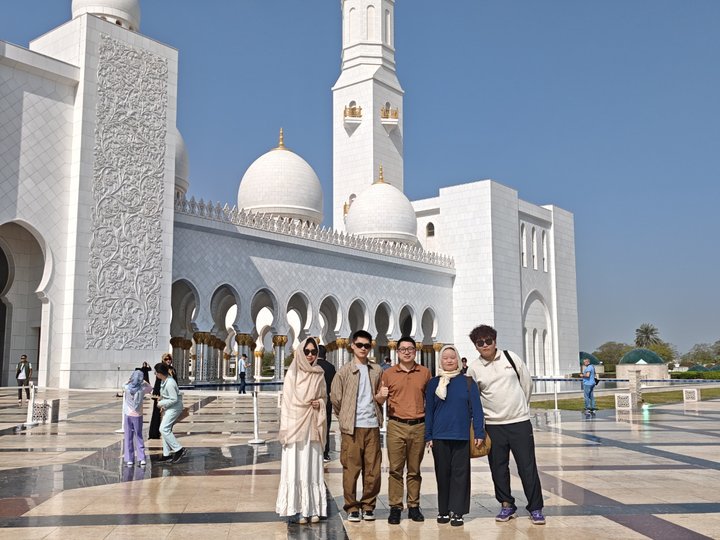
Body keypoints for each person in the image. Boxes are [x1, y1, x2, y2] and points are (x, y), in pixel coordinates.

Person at [466, 324, 545, 525]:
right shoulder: (474, 368)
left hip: (519, 422)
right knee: (498, 467)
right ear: (475, 346)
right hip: (493, 425)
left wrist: (521, 408)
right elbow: (473, 398)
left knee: (527, 466)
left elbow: (526, 384)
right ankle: (506, 505)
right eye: (480, 343)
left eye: (488, 341)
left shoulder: (510, 357)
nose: (485, 345)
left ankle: (535, 507)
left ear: (495, 341)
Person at [425, 345, 484, 527]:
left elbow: (477, 409)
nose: (449, 360)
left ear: (458, 360)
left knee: (460, 475)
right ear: (440, 361)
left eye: (452, 357)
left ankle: (458, 511)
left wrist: (479, 432)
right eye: (445, 358)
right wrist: (428, 435)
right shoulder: (434, 383)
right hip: (440, 436)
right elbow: (429, 411)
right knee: (442, 474)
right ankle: (443, 510)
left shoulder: (468, 382)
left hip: (461, 435)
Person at [376, 335, 431, 525]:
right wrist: (381, 396)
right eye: (403, 349)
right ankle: (395, 506)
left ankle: (414, 506)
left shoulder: (424, 373)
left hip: (418, 425)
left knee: (414, 470)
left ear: (415, 351)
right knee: (395, 469)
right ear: (397, 352)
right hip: (396, 425)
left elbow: (431, 401)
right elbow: (379, 399)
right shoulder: (389, 373)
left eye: (410, 349)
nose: (407, 352)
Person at [330, 330, 383, 522]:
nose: (363, 348)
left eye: (366, 345)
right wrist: (345, 417)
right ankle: (352, 507)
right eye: (359, 345)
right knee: (351, 469)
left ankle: (368, 505)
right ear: (352, 346)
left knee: (373, 470)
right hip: (352, 428)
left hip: (372, 426)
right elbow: (335, 398)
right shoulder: (344, 372)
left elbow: (380, 395)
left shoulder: (376, 370)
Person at [276, 337, 328, 524]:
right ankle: (297, 509)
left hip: (313, 425)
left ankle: (312, 508)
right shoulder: (293, 373)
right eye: (306, 351)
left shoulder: (319, 373)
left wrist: (319, 403)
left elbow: (324, 397)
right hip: (295, 427)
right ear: (300, 352)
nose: (310, 355)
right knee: (296, 466)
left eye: (313, 352)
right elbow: (287, 402)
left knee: (311, 466)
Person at [154, 361, 187, 464]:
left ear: (160, 373)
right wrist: (163, 404)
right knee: (165, 430)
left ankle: (179, 449)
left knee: (163, 429)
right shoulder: (164, 381)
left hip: (175, 408)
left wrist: (161, 403)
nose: (155, 374)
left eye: (156, 372)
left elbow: (174, 399)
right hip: (169, 407)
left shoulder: (170, 383)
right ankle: (166, 454)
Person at [123, 370, 153, 466]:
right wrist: (145, 382)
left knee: (128, 436)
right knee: (139, 435)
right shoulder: (142, 389)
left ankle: (130, 459)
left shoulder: (127, 388)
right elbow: (150, 388)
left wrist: (129, 381)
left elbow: (123, 385)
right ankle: (141, 458)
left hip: (128, 414)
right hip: (138, 415)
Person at [316, 344, 336, 462]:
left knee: (313, 427)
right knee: (326, 426)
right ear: (325, 355)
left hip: (313, 401)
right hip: (326, 401)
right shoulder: (331, 367)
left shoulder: (312, 366)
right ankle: (325, 452)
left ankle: (314, 452)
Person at [149, 354, 174, 439]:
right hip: (160, 394)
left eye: (169, 359)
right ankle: (154, 433)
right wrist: (157, 395)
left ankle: (167, 432)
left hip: (169, 394)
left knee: (169, 414)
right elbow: (157, 383)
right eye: (166, 359)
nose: (168, 361)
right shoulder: (160, 368)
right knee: (156, 413)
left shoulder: (172, 370)